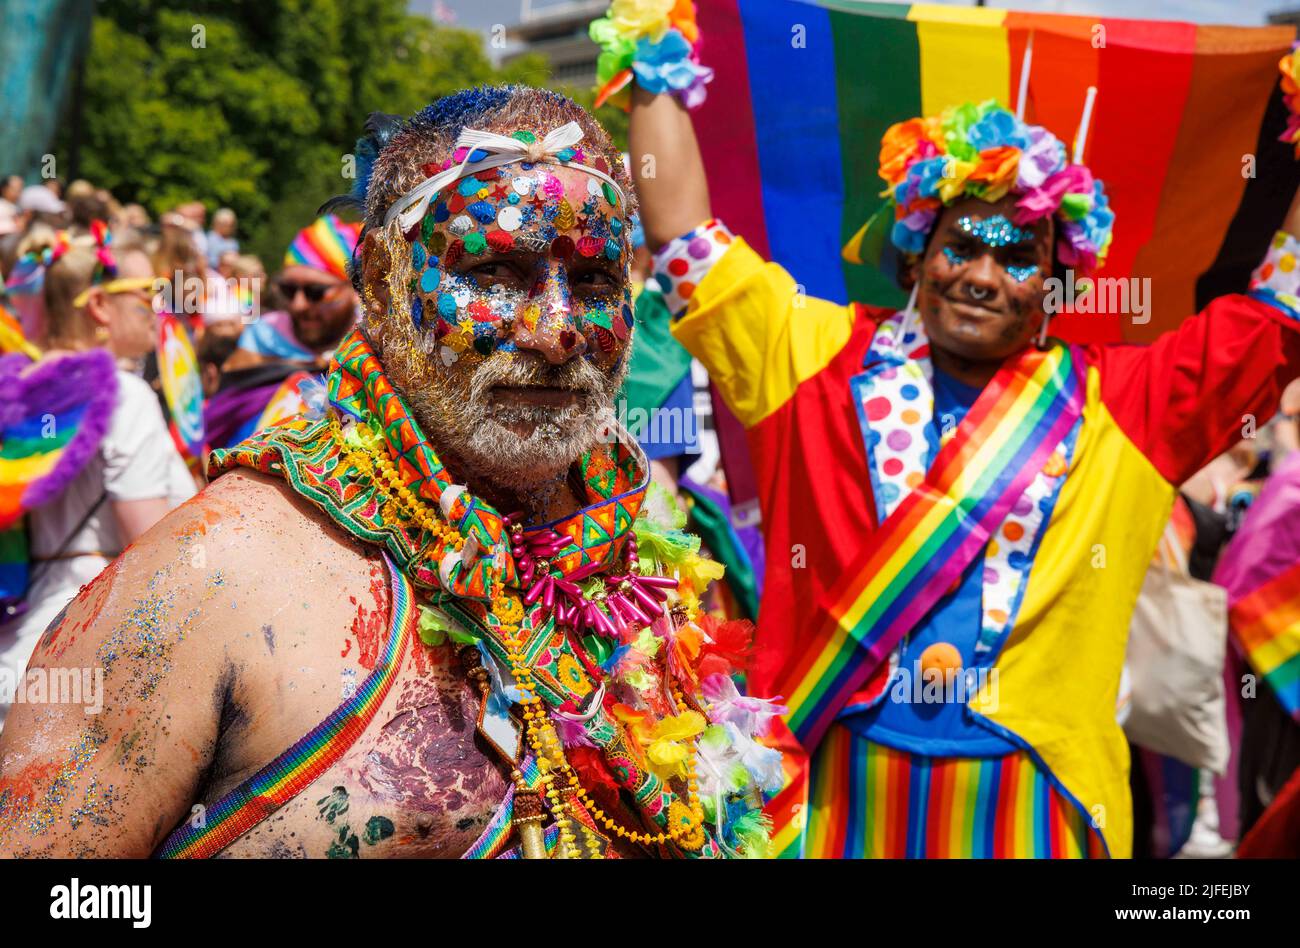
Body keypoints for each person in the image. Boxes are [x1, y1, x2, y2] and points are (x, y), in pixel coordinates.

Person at [0, 86, 778, 860]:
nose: (558, 331)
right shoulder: (208, 580)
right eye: (496, 272)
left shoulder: (644, 562)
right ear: (379, 283)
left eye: (596, 281)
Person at [630, 83, 1300, 858]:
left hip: (1034, 803)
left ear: (1054, 284)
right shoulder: (811, 358)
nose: (984, 276)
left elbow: (1283, 310)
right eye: (963, 246)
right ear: (917, 253)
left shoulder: (1126, 404)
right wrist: (654, 53)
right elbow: (682, 242)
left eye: (1017, 257)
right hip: (830, 798)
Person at [0, 226, 194, 729]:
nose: (157, 308)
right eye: (144, 295)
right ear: (100, 308)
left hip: (18, 646)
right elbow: (152, 547)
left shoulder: (15, 393)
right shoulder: (125, 397)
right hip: (88, 647)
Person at [204, 216, 362, 450]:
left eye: (315, 292)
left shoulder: (370, 343)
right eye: (289, 290)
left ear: (352, 289)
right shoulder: (265, 335)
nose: (298, 305)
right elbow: (224, 415)